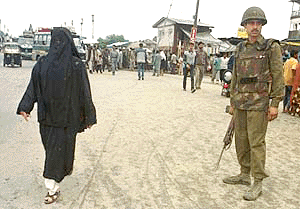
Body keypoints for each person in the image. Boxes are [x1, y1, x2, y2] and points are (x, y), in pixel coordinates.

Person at [16, 27, 97, 204]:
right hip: (54, 120)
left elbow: (84, 93)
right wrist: (25, 107)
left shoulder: (73, 65)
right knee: (54, 154)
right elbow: (33, 88)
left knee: (59, 154)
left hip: (60, 120)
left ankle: (54, 182)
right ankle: (52, 188)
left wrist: (89, 117)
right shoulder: (50, 64)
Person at [223, 7, 284, 201]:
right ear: (244, 26)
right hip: (241, 102)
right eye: (251, 23)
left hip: (259, 102)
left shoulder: (271, 47)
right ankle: (244, 173)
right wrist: (232, 101)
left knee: (256, 142)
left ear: (262, 25)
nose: (254, 27)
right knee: (241, 140)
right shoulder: (240, 48)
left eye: (258, 23)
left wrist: (275, 103)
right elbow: (235, 78)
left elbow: (278, 75)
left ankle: (257, 180)